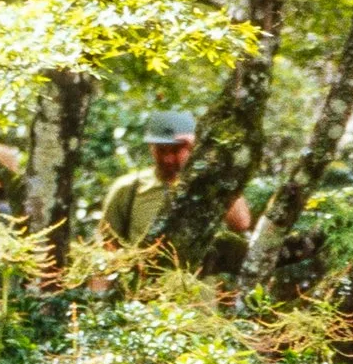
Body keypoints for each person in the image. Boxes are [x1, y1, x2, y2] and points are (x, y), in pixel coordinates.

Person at [95, 111, 252, 269]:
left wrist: (213, 168)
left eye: (176, 150)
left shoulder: (209, 186)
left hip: (195, 289)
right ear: (151, 148)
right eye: (161, 150)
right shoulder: (128, 189)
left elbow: (241, 223)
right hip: (142, 288)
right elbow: (107, 247)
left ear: (193, 148)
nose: (168, 158)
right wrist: (97, 293)